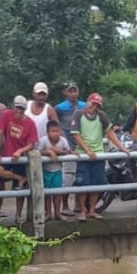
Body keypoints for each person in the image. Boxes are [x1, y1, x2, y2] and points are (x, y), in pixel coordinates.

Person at [71, 94, 122, 221]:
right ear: (87, 102)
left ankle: (92, 210)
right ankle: (83, 209)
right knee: (83, 183)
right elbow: (76, 135)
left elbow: (109, 132)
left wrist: (121, 147)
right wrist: (87, 150)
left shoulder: (101, 116)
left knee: (98, 183)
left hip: (98, 154)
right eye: (93, 104)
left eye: (97, 105)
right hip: (83, 155)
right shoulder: (78, 114)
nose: (94, 107)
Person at [0, 95, 37, 223]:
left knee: (20, 190)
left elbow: (32, 143)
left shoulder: (30, 123)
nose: (19, 111)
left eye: (22, 109)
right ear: (13, 106)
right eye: (17, 108)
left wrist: (21, 150)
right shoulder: (6, 115)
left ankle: (18, 215)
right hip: (7, 155)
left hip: (20, 158)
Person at [54, 83, 85, 218]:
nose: (73, 93)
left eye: (75, 91)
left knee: (80, 177)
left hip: (81, 146)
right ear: (65, 93)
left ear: (78, 92)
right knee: (67, 178)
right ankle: (65, 205)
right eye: (70, 91)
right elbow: (56, 124)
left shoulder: (84, 106)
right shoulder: (60, 108)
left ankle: (78, 204)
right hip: (68, 147)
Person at [37, 121, 72, 222]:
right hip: (45, 170)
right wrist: (49, 152)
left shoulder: (63, 141)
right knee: (47, 193)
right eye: (52, 131)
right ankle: (48, 213)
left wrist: (58, 151)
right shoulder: (43, 140)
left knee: (57, 193)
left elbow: (67, 151)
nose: (55, 133)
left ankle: (57, 213)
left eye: (57, 131)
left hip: (58, 170)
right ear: (47, 132)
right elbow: (37, 151)